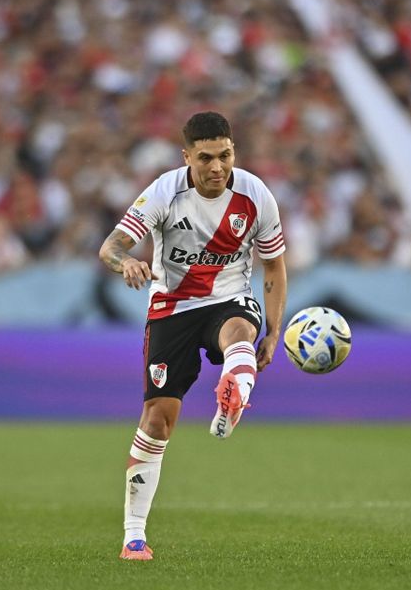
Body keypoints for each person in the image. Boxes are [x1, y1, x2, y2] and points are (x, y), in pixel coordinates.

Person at [99, 111, 287, 561]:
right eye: (206, 158)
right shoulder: (165, 191)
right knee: (158, 419)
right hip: (172, 308)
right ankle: (134, 536)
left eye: (225, 155)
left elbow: (274, 267)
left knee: (240, 329)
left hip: (229, 299)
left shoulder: (255, 194)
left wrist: (274, 331)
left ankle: (235, 389)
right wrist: (125, 263)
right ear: (187, 157)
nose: (218, 167)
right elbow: (111, 247)